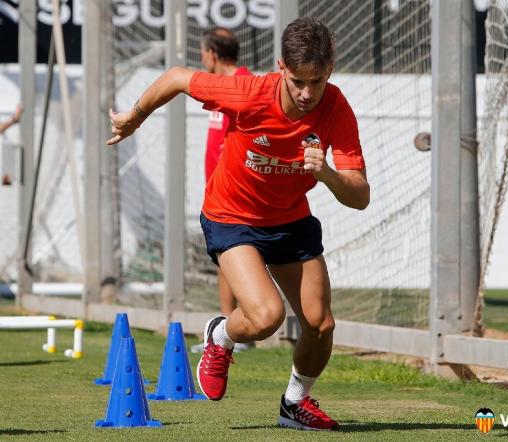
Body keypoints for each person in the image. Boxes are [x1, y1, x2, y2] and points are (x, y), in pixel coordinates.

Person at [107, 17, 370, 431]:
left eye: (315, 82)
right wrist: (135, 117)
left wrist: (328, 175)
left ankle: (294, 404)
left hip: (290, 219)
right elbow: (176, 77)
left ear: (330, 70)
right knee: (266, 317)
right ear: (282, 67)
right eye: (297, 80)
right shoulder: (249, 92)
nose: (305, 93)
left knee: (320, 324)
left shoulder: (337, 108)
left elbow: (360, 196)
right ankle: (221, 337)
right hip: (231, 216)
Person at [192, 27, 253, 354]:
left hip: (235, 193)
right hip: (217, 192)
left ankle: (237, 330)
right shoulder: (220, 86)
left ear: (213, 54)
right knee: (224, 260)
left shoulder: (241, 85)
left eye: (203, 53)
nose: (201, 59)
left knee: (233, 257)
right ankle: (230, 327)